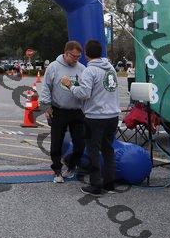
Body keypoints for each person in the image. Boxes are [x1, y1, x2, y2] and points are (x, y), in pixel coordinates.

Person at [61, 39, 120, 196]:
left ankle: (96, 185)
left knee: (93, 150)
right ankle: (109, 184)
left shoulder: (90, 70)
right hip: (113, 115)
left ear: (86, 53)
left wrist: (70, 85)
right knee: (108, 149)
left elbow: (84, 93)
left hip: (95, 116)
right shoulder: (111, 69)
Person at [40, 41, 86, 184]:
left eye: (78, 56)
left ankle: (71, 164)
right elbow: (46, 87)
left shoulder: (82, 68)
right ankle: (57, 170)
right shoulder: (54, 67)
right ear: (66, 53)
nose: (76, 59)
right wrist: (46, 106)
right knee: (56, 143)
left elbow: (85, 89)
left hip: (77, 111)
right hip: (58, 110)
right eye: (74, 56)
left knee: (80, 143)